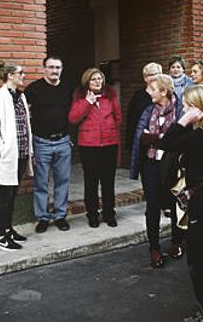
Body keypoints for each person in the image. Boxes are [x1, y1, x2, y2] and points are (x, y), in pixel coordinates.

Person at [159, 85, 203, 322]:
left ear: (198, 108)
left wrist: (183, 120)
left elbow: (166, 142)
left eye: (187, 106)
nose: (184, 110)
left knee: (201, 257)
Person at [130, 74, 185, 268]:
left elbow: (181, 139)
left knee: (174, 203)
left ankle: (177, 241)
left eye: (153, 89)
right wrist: (159, 138)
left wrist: (155, 138)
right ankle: (154, 248)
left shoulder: (180, 110)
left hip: (173, 165)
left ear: (163, 92)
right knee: (152, 206)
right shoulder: (148, 110)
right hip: (151, 164)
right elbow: (140, 137)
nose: (149, 91)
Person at [0, 60, 35, 251]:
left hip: (21, 155)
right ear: (10, 76)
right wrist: (3, 149)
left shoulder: (20, 97)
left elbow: (25, 126)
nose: (23, 76)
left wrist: (29, 151)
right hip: (7, 157)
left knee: (13, 195)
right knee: (4, 198)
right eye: (20, 73)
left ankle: (8, 229)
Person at [24, 55, 74, 233]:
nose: (54, 71)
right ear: (44, 68)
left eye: (57, 67)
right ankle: (43, 217)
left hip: (62, 141)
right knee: (41, 182)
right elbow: (24, 112)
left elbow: (74, 114)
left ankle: (60, 216)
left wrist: (70, 137)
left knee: (63, 180)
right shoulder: (34, 89)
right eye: (51, 67)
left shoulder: (68, 88)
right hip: (41, 142)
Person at [69, 67, 122, 228]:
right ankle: (92, 214)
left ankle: (109, 213)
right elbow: (73, 118)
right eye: (94, 79)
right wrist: (88, 102)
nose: (98, 82)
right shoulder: (80, 97)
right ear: (87, 82)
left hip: (109, 144)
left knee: (108, 181)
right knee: (91, 182)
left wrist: (110, 129)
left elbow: (118, 117)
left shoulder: (110, 96)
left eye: (100, 79)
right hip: (89, 146)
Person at [126, 63, 163, 156]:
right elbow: (131, 121)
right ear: (145, 78)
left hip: (160, 141)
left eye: (157, 73)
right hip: (142, 141)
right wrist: (130, 144)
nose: (155, 76)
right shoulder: (138, 96)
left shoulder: (165, 94)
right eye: (151, 74)